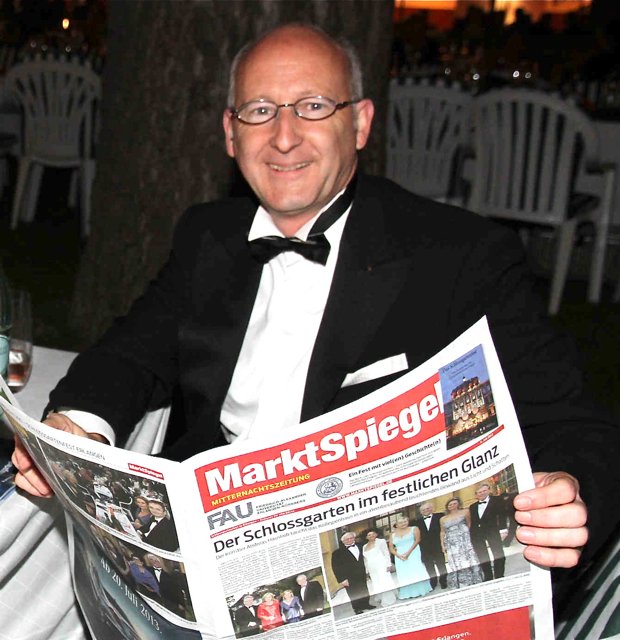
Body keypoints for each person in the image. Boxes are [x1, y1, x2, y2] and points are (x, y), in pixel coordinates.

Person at [12, 22, 616, 614]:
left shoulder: (459, 258)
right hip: (211, 564)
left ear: (361, 123)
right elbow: (130, 353)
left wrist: (568, 493)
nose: (284, 137)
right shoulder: (208, 237)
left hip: (364, 585)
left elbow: (575, 426)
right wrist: (77, 425)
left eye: (313, 106)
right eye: (259, 111)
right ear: (230, 132)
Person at [468, 483, 512, 581]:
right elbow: (474, 522)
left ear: (488, 490)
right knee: (482, 555)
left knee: (498, 553)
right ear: (476, 494)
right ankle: (488, 576)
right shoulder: (472, 506)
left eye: (484, 491)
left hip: (493, 531)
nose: (482, 493)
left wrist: (503, 529)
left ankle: (499, 575)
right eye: (479, 492)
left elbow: (502, 515)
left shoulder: (497, 500)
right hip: (477, 534)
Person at [440, 497, 484, 589]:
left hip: (465, 540)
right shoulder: (443, 519)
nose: (452, 506)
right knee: (456, 561)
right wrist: (442, 544)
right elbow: (442, 532)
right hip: (452, 543)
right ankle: (461, 582)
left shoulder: (465, 512)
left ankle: (474, 579)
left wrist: (465, 534)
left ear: (458, 504)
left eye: (454, 503)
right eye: (450, 504)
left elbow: (469, 524)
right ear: (447, 506)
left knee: (469, 558)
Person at [388, 516, 432, 599]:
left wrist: (408, 553)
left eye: (405, 521)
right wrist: (398, 555)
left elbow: (417, 540)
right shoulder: (392, 535)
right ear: (397, 524)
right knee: (404, 573)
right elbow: (391, 548)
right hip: (399, 556)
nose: (403, 523)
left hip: (413, 551)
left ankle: (420, 590)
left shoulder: (414, 529)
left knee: (415, 570)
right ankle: (408, 592)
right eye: (401, 522)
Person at [331, 531, 374, 614]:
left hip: (361, 574)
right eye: (347, 539)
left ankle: (366, 604)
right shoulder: (337, 553)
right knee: (353, 593)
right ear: (343, 541)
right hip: (348, 577)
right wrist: (342, 579)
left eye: (351, 538)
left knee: (364, 590)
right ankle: (357, 608)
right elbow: (336, 567)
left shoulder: (361, 546)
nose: (350, 540)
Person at [415, 502, 447, 590]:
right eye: (423, 510)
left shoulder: (440, 516)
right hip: (425, 548)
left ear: (432, 508)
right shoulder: (417, 522)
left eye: (427, 508)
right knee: (429, 566)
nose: (425, 511)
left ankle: (443, 581)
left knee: (441, 564)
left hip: (438, 545)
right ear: (420, 512)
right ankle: (433, 582)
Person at [362, 528, 397, 606]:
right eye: (369, 535)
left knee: (384, 581)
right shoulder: (364, 546)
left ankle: (388, 599)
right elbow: (365, 559)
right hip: (372, 568)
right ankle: (380, 596)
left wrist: (388, 564)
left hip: (381, 565)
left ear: (376, 534)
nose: (371, 536)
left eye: (373, 534)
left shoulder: (381, 541)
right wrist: (367, 570)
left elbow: (386, 553)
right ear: (366, 537)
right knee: (376, 582)